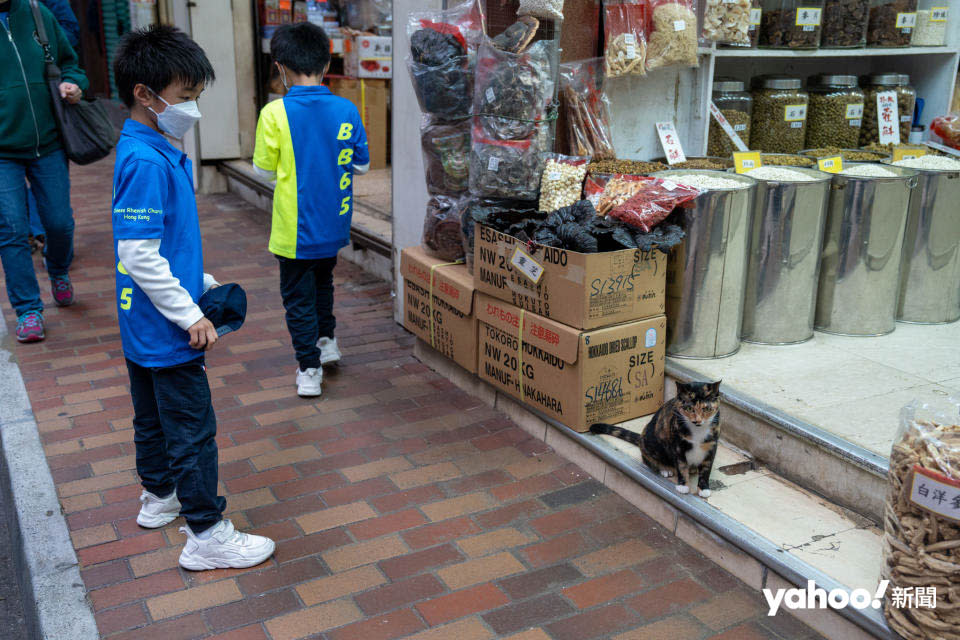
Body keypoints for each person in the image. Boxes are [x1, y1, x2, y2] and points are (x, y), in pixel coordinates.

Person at [111, 24, 275, 570]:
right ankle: (206, 533)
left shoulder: (150, 147)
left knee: (152, 419)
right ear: (145, 93)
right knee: (192, 430)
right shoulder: (146, 160)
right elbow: (138, 253)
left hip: (143, 321)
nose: (192, 109)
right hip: (164, 324)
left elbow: (162, 244)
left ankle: (160, 499)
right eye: (185, 98)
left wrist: (201, 285)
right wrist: (189, 315)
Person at [252, 22, 369, 397]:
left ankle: (309, 369)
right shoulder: (346, 108)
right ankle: (327, 341)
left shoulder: (274, 113)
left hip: (294, 230)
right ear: (326, 61)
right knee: (323, 282)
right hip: (335, 223)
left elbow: (262, 170)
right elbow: (362, 164)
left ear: (280, 66)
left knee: (298, 299)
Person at [0, 0, 87, 342]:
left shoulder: (38, 12)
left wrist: (72, 83)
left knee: (59, 223)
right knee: (11, 230)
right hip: (2, 152)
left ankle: (58, 269)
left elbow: (70, 63)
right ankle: (28, 310)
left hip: (48, 142)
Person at [26, 0, 82, 250]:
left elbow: (70, 32)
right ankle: (31, 230)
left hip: (47, 109)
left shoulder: (43, 7)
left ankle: (49, 237)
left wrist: (36, 39)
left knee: (54, 199)